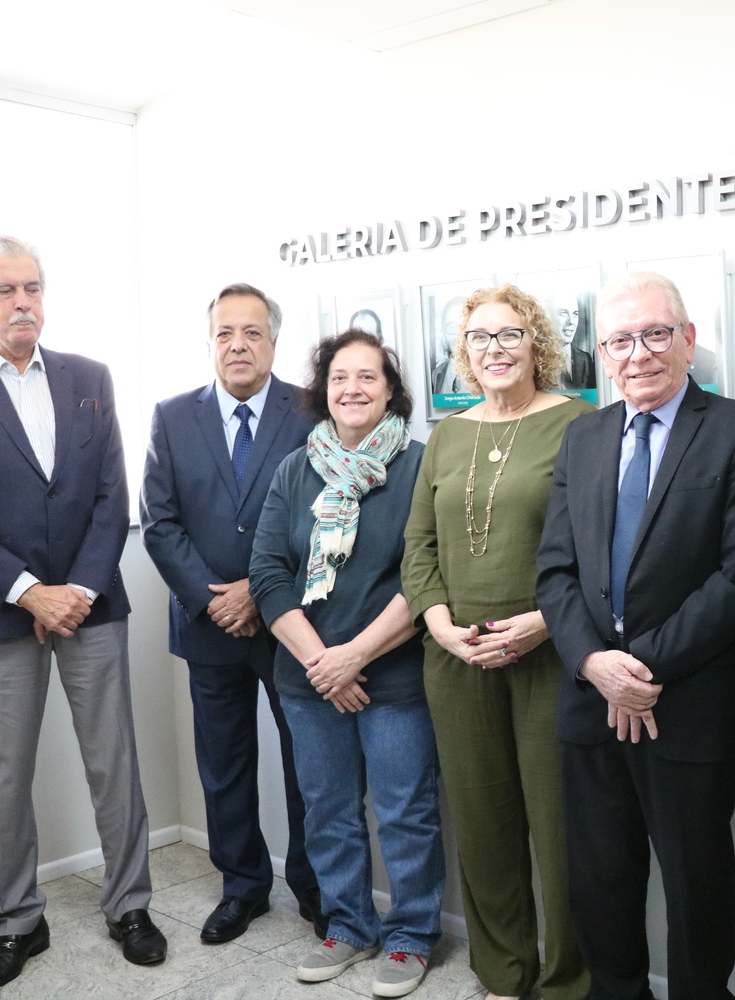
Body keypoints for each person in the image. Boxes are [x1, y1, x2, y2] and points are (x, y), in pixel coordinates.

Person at [0, 236, 166, 991]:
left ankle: (130, 907)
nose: (23, 302)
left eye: (32, 288)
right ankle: (17, 921)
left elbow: (111, 498)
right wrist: (30, 592)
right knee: (3, 779)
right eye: (5, 290)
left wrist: (75, 592)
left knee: (115, 765)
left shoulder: (90, 377)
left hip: (91, 606)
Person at [537, 271, 735, 1000]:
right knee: (601, 880)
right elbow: (554, 570)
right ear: (603, 354)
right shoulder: (583, 436)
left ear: (688, 339)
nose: (638, 353)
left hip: (687, 703)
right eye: (621, 340)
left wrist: (636, 671)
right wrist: (594, 664)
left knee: (696, 884)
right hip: (590, 703)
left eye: (655, 334)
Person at [401, 283, 593, 1000]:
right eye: (480, 337)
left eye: (511, 333)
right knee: (483, 828)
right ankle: (503, 974)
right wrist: (439, 625)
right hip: (456, 659)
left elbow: (600, 545)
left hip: (551, 653)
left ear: (536, 343)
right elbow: (418, 546)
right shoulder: (447, 434)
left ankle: (570, 982)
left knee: (562, 831)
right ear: (465, 353)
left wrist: (544, 621)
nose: (496, 349)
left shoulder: (580, 424)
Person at [249, 330, 444, 994]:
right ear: (323, 389)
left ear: (391, 391)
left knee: (405, 811)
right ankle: (349, 926)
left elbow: (426, 575)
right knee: (327, 811)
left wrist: (354, 656)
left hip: (394, 677)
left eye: (367, 377)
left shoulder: (420, 466)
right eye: (339, 377)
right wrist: (321, 663)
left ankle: (411, 936)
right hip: (308, 681)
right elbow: (268, 575)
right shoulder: (295, 469)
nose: (352, 389)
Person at [140, 283, 322, 944]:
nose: (238, 345)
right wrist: (215, 599)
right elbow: (159, 523)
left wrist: (260, 592)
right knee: (224, 765)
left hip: (292, 624)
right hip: (208, 623)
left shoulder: (310, 412)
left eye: (252, 332)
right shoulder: (172, 417)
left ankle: (314, 886)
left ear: (273, 341)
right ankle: (243, 887)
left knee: (309, 763)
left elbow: (327, 516)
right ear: (210, 342)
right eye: (225, 333)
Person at [553, 291, 597, 390]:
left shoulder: (585, 359)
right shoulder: (538, 359)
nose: (571, 321)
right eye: (563, 313)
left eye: (575, 314)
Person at [431, 296, 466, 396]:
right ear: (444, 332)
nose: (458, 335)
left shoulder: (486, 372)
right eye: (451, 327)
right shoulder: (437, 374)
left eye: (463, 326)